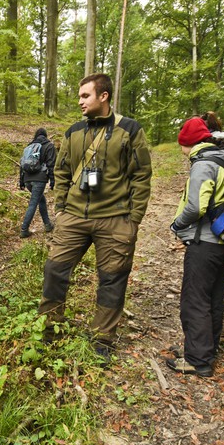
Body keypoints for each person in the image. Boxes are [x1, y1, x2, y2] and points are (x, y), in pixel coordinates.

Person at [38, 73, 152, 360]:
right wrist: (61, 207)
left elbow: (141, 176)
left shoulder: (130, 130)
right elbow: (61, 170)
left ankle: (103, 339)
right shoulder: (74, 131)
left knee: (112, 279)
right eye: (79, 96)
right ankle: (49, 330)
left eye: (85, 96)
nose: (80, 101)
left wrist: (133, 219)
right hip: (73, 217)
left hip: (115, 219)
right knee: (54, 271)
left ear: (104, 96)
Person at [167, 117, 224, 378]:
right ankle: (206, 349)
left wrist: (177, 224)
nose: (182, 150)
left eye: (182, 145)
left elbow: (196, 206)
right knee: (213, 296)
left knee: (194, 299)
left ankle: (198, 360)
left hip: (205, 241)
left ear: (189, 142)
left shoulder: (203, 165)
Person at [19, 127, 56, 238]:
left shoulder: (29, 147)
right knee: (34, 202)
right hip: (39, 179)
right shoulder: (49, 146)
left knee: (41, 200)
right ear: (46, 135)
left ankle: (47, 224)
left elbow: (22, 165)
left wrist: (21, 181)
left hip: (27, 179)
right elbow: (51, 165)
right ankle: (24, 229)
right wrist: (52, 180)